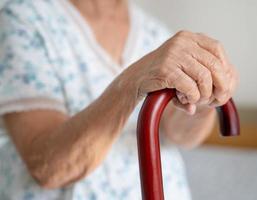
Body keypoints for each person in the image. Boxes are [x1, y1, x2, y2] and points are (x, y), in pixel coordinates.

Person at [0, 0, 238, 199]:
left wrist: (206, 96)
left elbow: (179, 133)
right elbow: (49, 167)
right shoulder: (25, 20)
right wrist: (133, 81)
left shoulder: (154, 32)